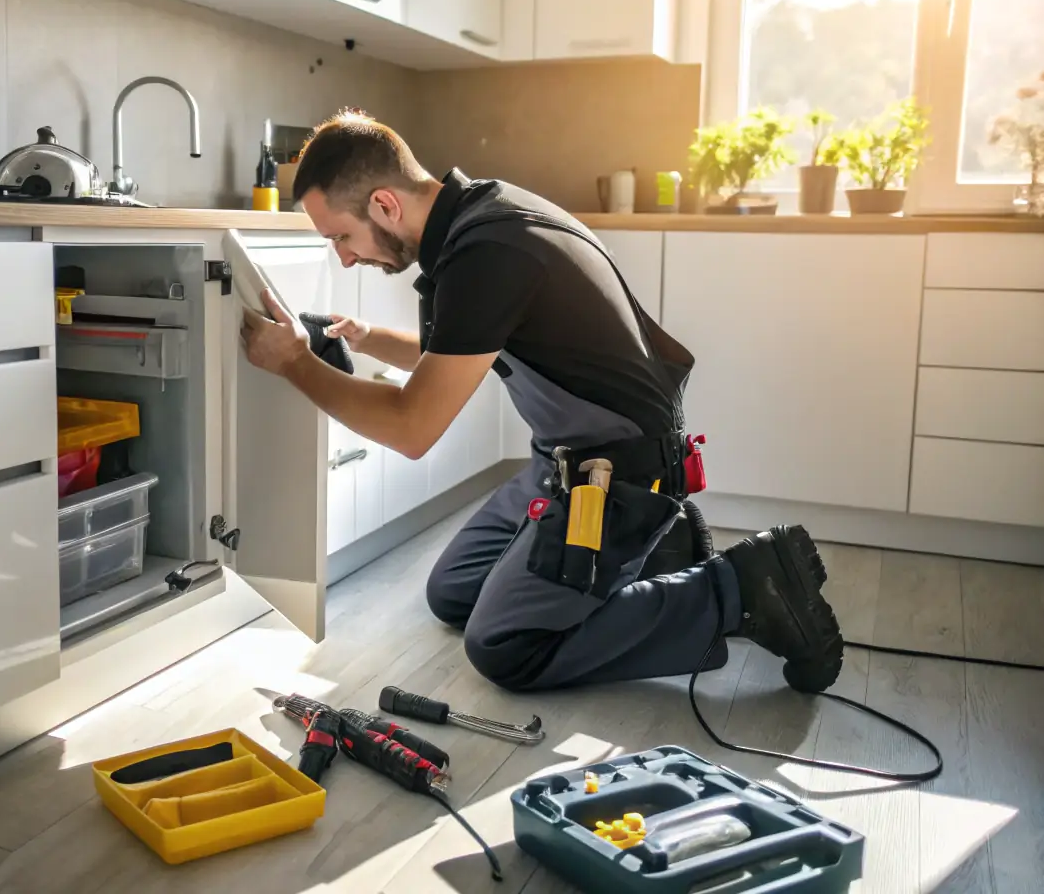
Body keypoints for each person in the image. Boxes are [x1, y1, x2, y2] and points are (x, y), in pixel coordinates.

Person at [240, 111, 843, 694]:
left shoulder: (488, 254)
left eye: (341, 237)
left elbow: (411, 426)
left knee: (504, 645)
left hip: (616, 478)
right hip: (563, 466)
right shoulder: (483, 216)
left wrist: (295, 362)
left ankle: (744, 586)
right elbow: (450, 354)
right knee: (453, 593)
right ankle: (660, 553)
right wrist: (366, 337)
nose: (344, 257)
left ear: (385, 205)